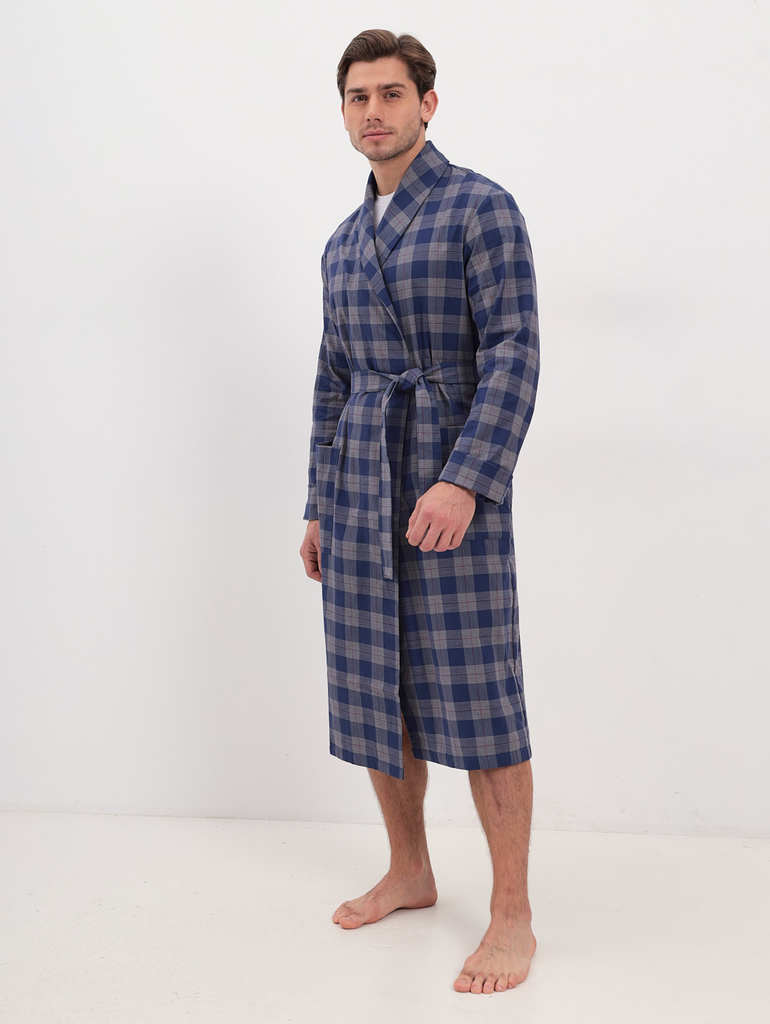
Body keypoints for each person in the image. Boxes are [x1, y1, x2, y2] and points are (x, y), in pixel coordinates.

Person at [298, 29, 540, 995]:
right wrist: (319, 505)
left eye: (391, 94)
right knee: (376, 686)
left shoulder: (482, 207)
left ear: (427, 103)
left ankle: (513, 913)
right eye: (358, 97)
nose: (374, 112)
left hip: (447, 482)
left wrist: (466, 478)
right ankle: (410, 870)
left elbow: (514, 350)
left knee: (480, 695)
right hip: (359, 483)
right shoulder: (341, 244)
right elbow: (332, 378)